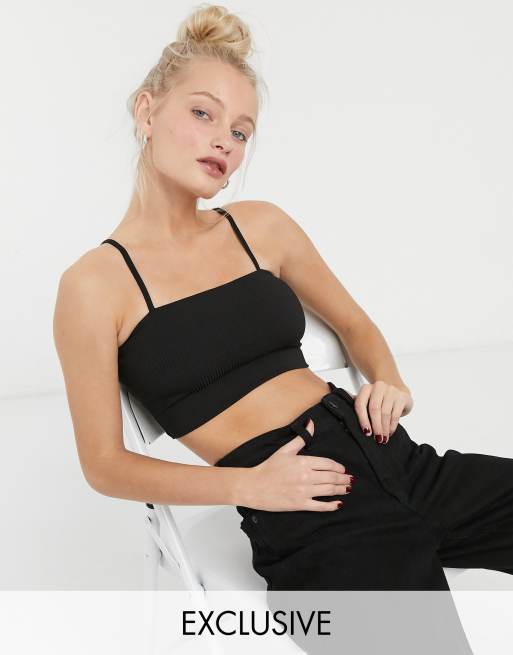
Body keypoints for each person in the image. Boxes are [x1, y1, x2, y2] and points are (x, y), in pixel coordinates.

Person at [53, 4, 510, 651]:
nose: (225, 141)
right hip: (309, 509)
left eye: (241, 131)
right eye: (204, 113)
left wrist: (388, 380)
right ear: (146, 111)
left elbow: (352, 321)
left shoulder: (260, 226)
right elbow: (104, 465)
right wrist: (247, 485)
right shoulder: (93, 285)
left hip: (399, 459)